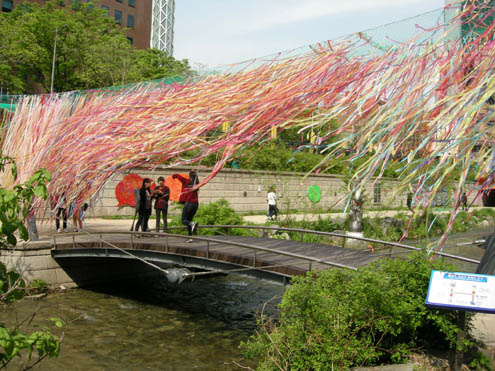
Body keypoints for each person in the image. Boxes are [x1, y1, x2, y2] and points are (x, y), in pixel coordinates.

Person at [173, 171, 199, 242]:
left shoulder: (186, 181)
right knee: (189, 220)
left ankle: (192, 224)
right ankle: (190, 237)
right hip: (196, 204)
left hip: (189, 203)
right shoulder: (197, 184)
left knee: (184, 220)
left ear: (189, 176)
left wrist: (173, 176)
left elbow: (177, 175)